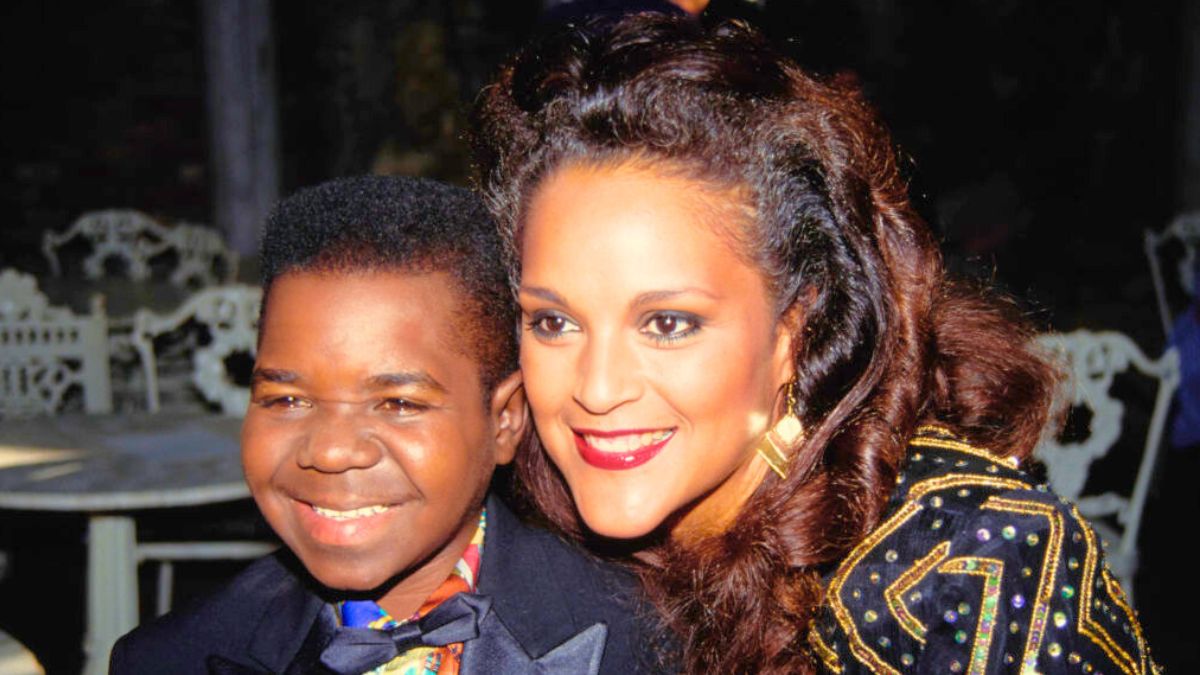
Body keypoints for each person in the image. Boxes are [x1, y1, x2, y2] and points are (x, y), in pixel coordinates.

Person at [472, 14, 1158, 673]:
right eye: (554, 322)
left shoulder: (965, 568)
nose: (596, 386)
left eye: (669, 323)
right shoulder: (521, 530)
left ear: (793, 331)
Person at [111, 176, 660, 674]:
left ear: (505, 420)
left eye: (398, 403)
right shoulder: (170, 658)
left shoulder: (650, 642)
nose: (330, 451)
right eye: (287, 399)